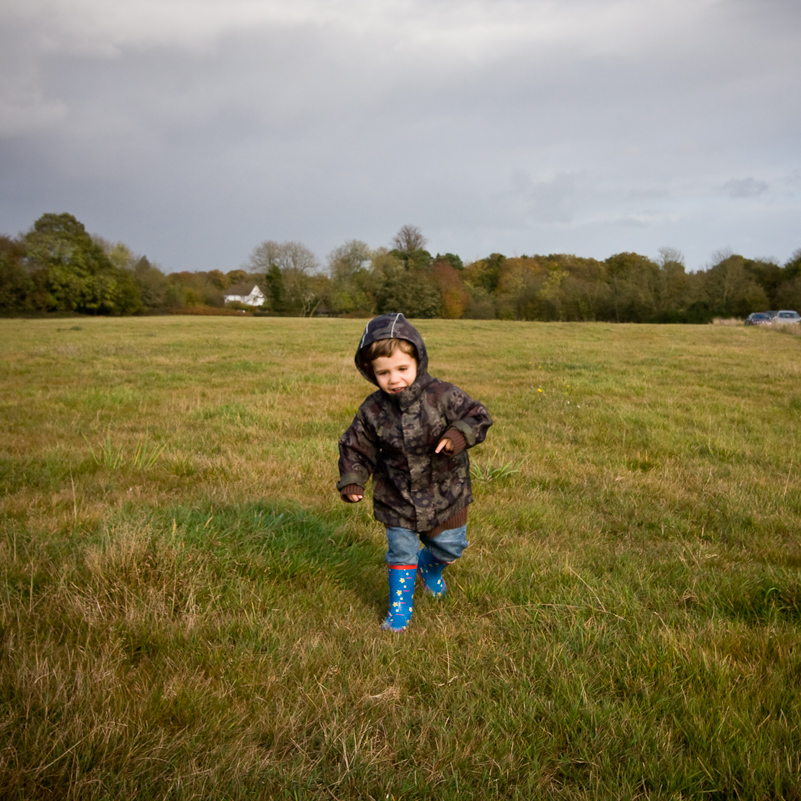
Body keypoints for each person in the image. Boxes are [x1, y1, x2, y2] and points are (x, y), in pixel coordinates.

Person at [337, 313, 492, 632]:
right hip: (397, 498)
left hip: (446, 494)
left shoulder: (443, 395)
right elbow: (356, 445)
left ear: (417, 360)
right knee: (401, 551)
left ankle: (430, 569)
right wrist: (353, 478)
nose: (394, 379)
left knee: (451, 546)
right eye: (384, 373)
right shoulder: (372, 410)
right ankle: (399, 609)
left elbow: (478, 415)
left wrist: (458, 434)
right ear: (371, 373)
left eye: (402, 369)